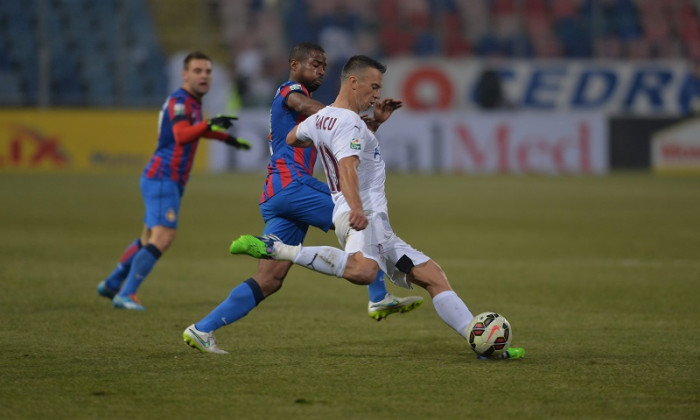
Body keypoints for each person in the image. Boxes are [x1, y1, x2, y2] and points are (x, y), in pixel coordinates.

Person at [228, 55, 525, 359]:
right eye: (373, 86)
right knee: (363, 271)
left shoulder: (324, 118)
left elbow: (292, 138)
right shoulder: (349, 122)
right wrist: (356, 207)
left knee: (433, 276)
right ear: (353, 82)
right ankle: (275, 249)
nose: (377, 94)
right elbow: (347, 168)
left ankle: (481, 345)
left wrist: (372, 126)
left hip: (375, 222)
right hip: (362, 215)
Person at [182, 43, 422, 354]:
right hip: (291, 185)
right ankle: (378, 297)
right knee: (355, 213)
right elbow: (312, 111)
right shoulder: (290, 90)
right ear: (294, 64)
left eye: (324, 66)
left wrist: (368, 123)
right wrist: (346, 116)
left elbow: (335, 130)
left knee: (269, 279)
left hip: (279, 196)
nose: (321, 70)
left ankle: (202, 329)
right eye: (315, 64)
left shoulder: (316, 110)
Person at [96, 51, 251, 310]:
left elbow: (195, 131)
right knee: (164, 235)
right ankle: (126, 293)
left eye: (208, 71)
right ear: (185, 74)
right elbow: (181, 135)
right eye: (198, 71)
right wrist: (210, 124)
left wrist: (228, 139)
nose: (204, 76)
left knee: (148, 237)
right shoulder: (179, 101)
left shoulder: (191, 102)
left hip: (169, 179)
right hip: (163, 176)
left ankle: (112, 283)